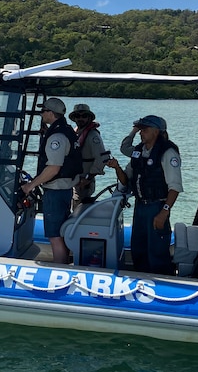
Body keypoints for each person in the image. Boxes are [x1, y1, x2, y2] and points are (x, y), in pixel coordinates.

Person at [106, 115, 181, 274]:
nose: (141, 133)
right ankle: (140, 279)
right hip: (140, 207)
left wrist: (164, 212)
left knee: (157, 251)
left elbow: (175, 187)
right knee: (138, 248)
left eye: (144, 130)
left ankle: (162, 282)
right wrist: (117, 167)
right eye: (140, 130)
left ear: (156, 132)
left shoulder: (168, 153)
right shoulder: (139, 151)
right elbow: (127, 180)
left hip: (157, 206)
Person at [21, 97, 81, 264]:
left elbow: (54, 168)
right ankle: (64, 263)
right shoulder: (67, 131)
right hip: (65, 189)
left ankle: (59, 268)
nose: (41, 114)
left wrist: (30, 186)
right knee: (61, 231)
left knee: (54, 235)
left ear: (50, 113)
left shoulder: (57, 137)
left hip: (55, 191)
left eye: (43, 111)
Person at [69, 103, 108, 210]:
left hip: (84, 182)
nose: (80, 118)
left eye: (84, 116)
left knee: (80, 207)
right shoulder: (75, 132)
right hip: (73, 180)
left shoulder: (93, 135)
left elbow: (102, 159)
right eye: (77, 116)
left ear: (89, 118)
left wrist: (88, 178)